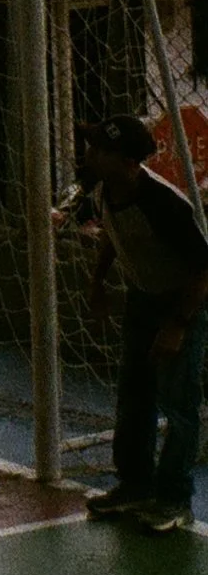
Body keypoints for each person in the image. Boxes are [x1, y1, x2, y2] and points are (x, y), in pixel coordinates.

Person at [79, 115, 208, 532]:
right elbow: (111, 235)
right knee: (134, 393)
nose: (91, 153)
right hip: (141, 299)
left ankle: (174, 499)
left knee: (178, 404)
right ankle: (135, 484)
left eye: (100, 149)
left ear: (127, 161)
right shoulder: (104, 189)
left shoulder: (164, 204)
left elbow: (202, 270)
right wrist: (98, 282)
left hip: (179, 304)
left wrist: (178, 325)